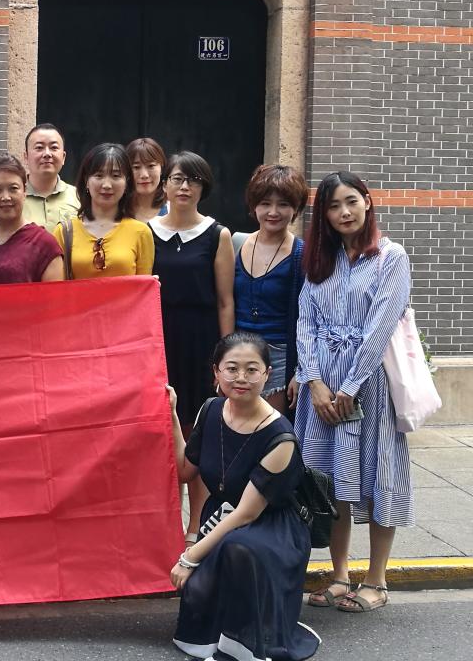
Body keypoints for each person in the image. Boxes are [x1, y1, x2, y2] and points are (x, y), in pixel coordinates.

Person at [294, 171, 413, 614]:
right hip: (322, 387)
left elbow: (381, 326)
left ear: (367, 201)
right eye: (333, 206)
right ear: (323, 215)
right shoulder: (321, 260)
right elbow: (305, 322)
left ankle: (377, 579)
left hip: (369, 386)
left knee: (378, 474)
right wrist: (315, 382)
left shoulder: (390, 257)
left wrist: (349, 386)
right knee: (329, 481)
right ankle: (340, 574)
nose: (344, 212)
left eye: (351, 201)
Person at [170, 332, 320, 661]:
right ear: (216, 372)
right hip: (221, 518)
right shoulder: (210, 410)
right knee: (202, 590)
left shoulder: (280, 437)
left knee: (238, 548)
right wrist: (172, 415)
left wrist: (190, 556)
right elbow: (184, 471)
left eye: (252, 370)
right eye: (232, 368)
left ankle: (244, 646)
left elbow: (247, 514)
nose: (241, 377)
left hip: (271, 527)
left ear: (267, 374)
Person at [149, 151, 235, 544]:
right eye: (177, 179)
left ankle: (196, 524)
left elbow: (225, 301)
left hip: (201, 343)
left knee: (196, 434)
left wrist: (225, 358)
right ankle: (166, 522)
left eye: (193, 180)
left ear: (204, 187)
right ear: (164, 184)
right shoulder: (146, 232)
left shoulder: (218, 234)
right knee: (164, 432)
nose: (184, 187)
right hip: (158, 342)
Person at [233, 165, 309, 415]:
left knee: (271, 429)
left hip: (280, 356)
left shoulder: (302, 254)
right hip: (238, 352)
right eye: (265, 203)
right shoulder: (236, 243)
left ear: (296, 208)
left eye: (283, 204)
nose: (273, 212)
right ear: (254, 205)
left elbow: (310, 319)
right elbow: (223, 303)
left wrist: (300, 371)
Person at [51, 142, 154, 279]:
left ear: (127, 183)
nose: (106, 185)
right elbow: (57, 287)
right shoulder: (64, 232)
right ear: (86, 181)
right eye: (99, 175)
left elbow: (144, 287)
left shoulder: (141, 232)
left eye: (116, 176)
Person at [0, 155, 64, 284]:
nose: (6, 197)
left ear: (24, 192)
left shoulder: (45, 245)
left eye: (13, 189)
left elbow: (54, 295)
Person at [23, 123, 79, 230]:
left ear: (63, 157)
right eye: (39, 148)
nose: (47, 154)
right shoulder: (14, 197)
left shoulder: (78, 197)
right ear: (26, 157)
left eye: (54, 147)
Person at [125, 137, 168, 222]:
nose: (144, 175)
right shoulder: (116, 209)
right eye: (136, 167)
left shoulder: (175, 208)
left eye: (151, 166)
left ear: (161, 167)